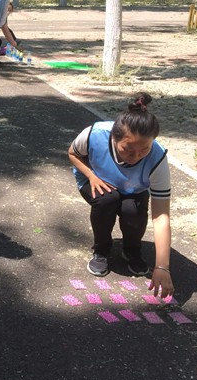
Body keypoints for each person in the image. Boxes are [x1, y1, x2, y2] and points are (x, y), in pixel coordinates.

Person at [67, 93, 174, 298]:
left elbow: (161, 217)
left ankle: (131, 250)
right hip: (97, 181)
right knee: (108, 199)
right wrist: (91, 175)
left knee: (132, 209)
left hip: (133, 188)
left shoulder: (158, 158)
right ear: (114, 137)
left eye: (144, 150)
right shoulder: (94, 133)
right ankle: (101, 250)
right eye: (128, 150)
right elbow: (72, 153)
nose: (135, 157)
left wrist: (162, 266)